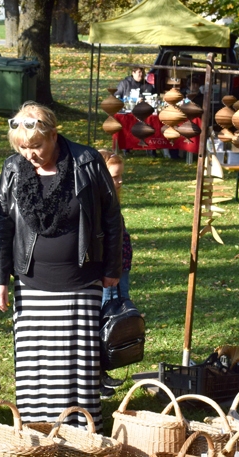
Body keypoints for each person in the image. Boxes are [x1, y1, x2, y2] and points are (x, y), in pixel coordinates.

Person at [0, 101, 122, 430]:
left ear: (53, 135)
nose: (30, 154)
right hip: (32, 286)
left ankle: (81, 433)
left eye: (35, 146)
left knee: (77, 367)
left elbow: (111, 217)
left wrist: (112, 268)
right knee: (37, 367)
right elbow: (2, 224)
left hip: (81, 283)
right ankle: (37, 432)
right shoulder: (13, 168)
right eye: (23, 147)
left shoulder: (87, 161)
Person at [97, 149, 130, 398]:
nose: (119, 181)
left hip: (120, 271)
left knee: (113, 322)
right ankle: (95, 376)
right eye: (115, 177)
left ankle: (104, 371)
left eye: (121, 177)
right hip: (106, 273)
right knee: (103, 322)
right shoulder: (97, 203)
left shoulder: (113, 200)